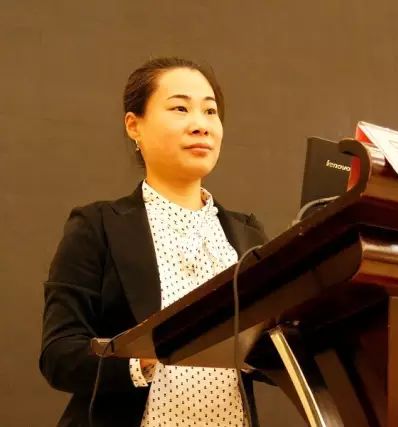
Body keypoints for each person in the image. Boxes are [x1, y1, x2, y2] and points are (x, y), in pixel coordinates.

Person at [39, 57, 268, 427]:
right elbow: (58, 354)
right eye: (180, 108)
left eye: (210, 111)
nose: (201, 124)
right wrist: (144, 356)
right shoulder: (98, 226)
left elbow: (279, 351)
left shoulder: (247, 235)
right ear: (135, 126)